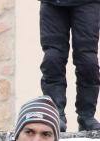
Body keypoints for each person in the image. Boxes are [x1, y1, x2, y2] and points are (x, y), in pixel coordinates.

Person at [39, 0, 100, 131]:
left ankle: (86, 116)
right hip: (52, 3)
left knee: (88, 63)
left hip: (88, 3)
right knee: (52, 59)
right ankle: (56, 114)